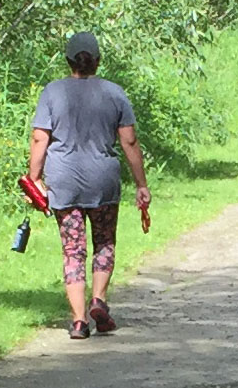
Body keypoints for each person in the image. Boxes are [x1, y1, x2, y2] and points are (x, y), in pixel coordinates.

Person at [27, 31, 152, 340]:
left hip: (64, 182)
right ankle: (98, 300)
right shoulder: (114, 93)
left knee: (73, 250)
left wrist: (34, 179)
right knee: (104, 242)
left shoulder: (52, 92)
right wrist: (141, 184)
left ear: (68, 60)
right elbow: (129, 141)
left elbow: (40, 138)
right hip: (103, 181)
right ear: (98, 61)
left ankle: (79, 321)